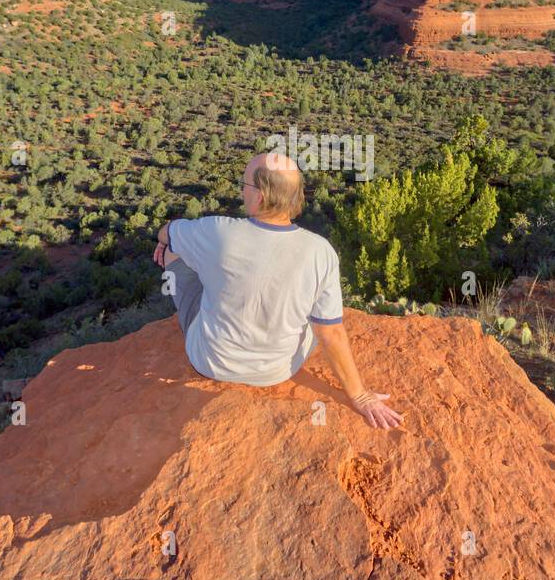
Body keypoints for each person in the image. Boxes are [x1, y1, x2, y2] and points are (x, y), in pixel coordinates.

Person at [153, 152, 404, 430]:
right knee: (319, 316)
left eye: (245, 185)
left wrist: (170, 245)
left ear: (259, 196)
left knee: (174, 255)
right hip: (278, 371)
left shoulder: (216, 231)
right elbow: (330, 333)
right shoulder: (320, 252)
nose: (241, 191)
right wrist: (359, 395)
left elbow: (165, 232)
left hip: (210, 362)